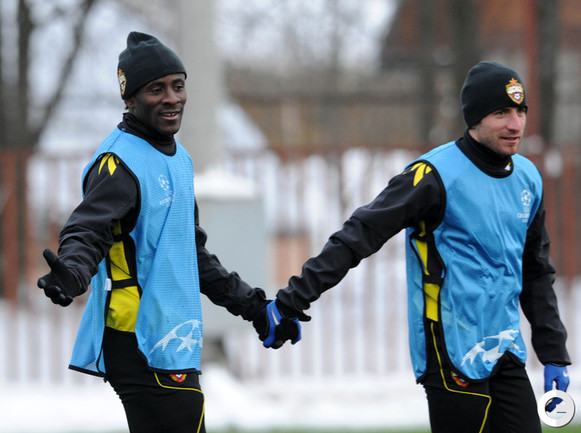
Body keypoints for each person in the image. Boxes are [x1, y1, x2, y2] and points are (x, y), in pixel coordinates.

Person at [255, 61, 571, 433]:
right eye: (501, 113)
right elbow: (358, 235)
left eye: (521, 111)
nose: (515, 124)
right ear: (474, 117)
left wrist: (553, 351)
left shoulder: (528, 178)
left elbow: (535, 270)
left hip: (506, 352)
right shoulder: (433, 175)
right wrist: (292, 300)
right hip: (451, 354)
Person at [37, 31, 300, 433]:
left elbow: (189, 253)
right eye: (156, 89)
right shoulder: (119, 163)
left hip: (171, 337)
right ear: (129, 98)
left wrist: (253, 307)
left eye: (178, 86)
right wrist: (72, 271)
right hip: (139, 339)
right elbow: (86, 230)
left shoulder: (179, 160)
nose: (172, 98)